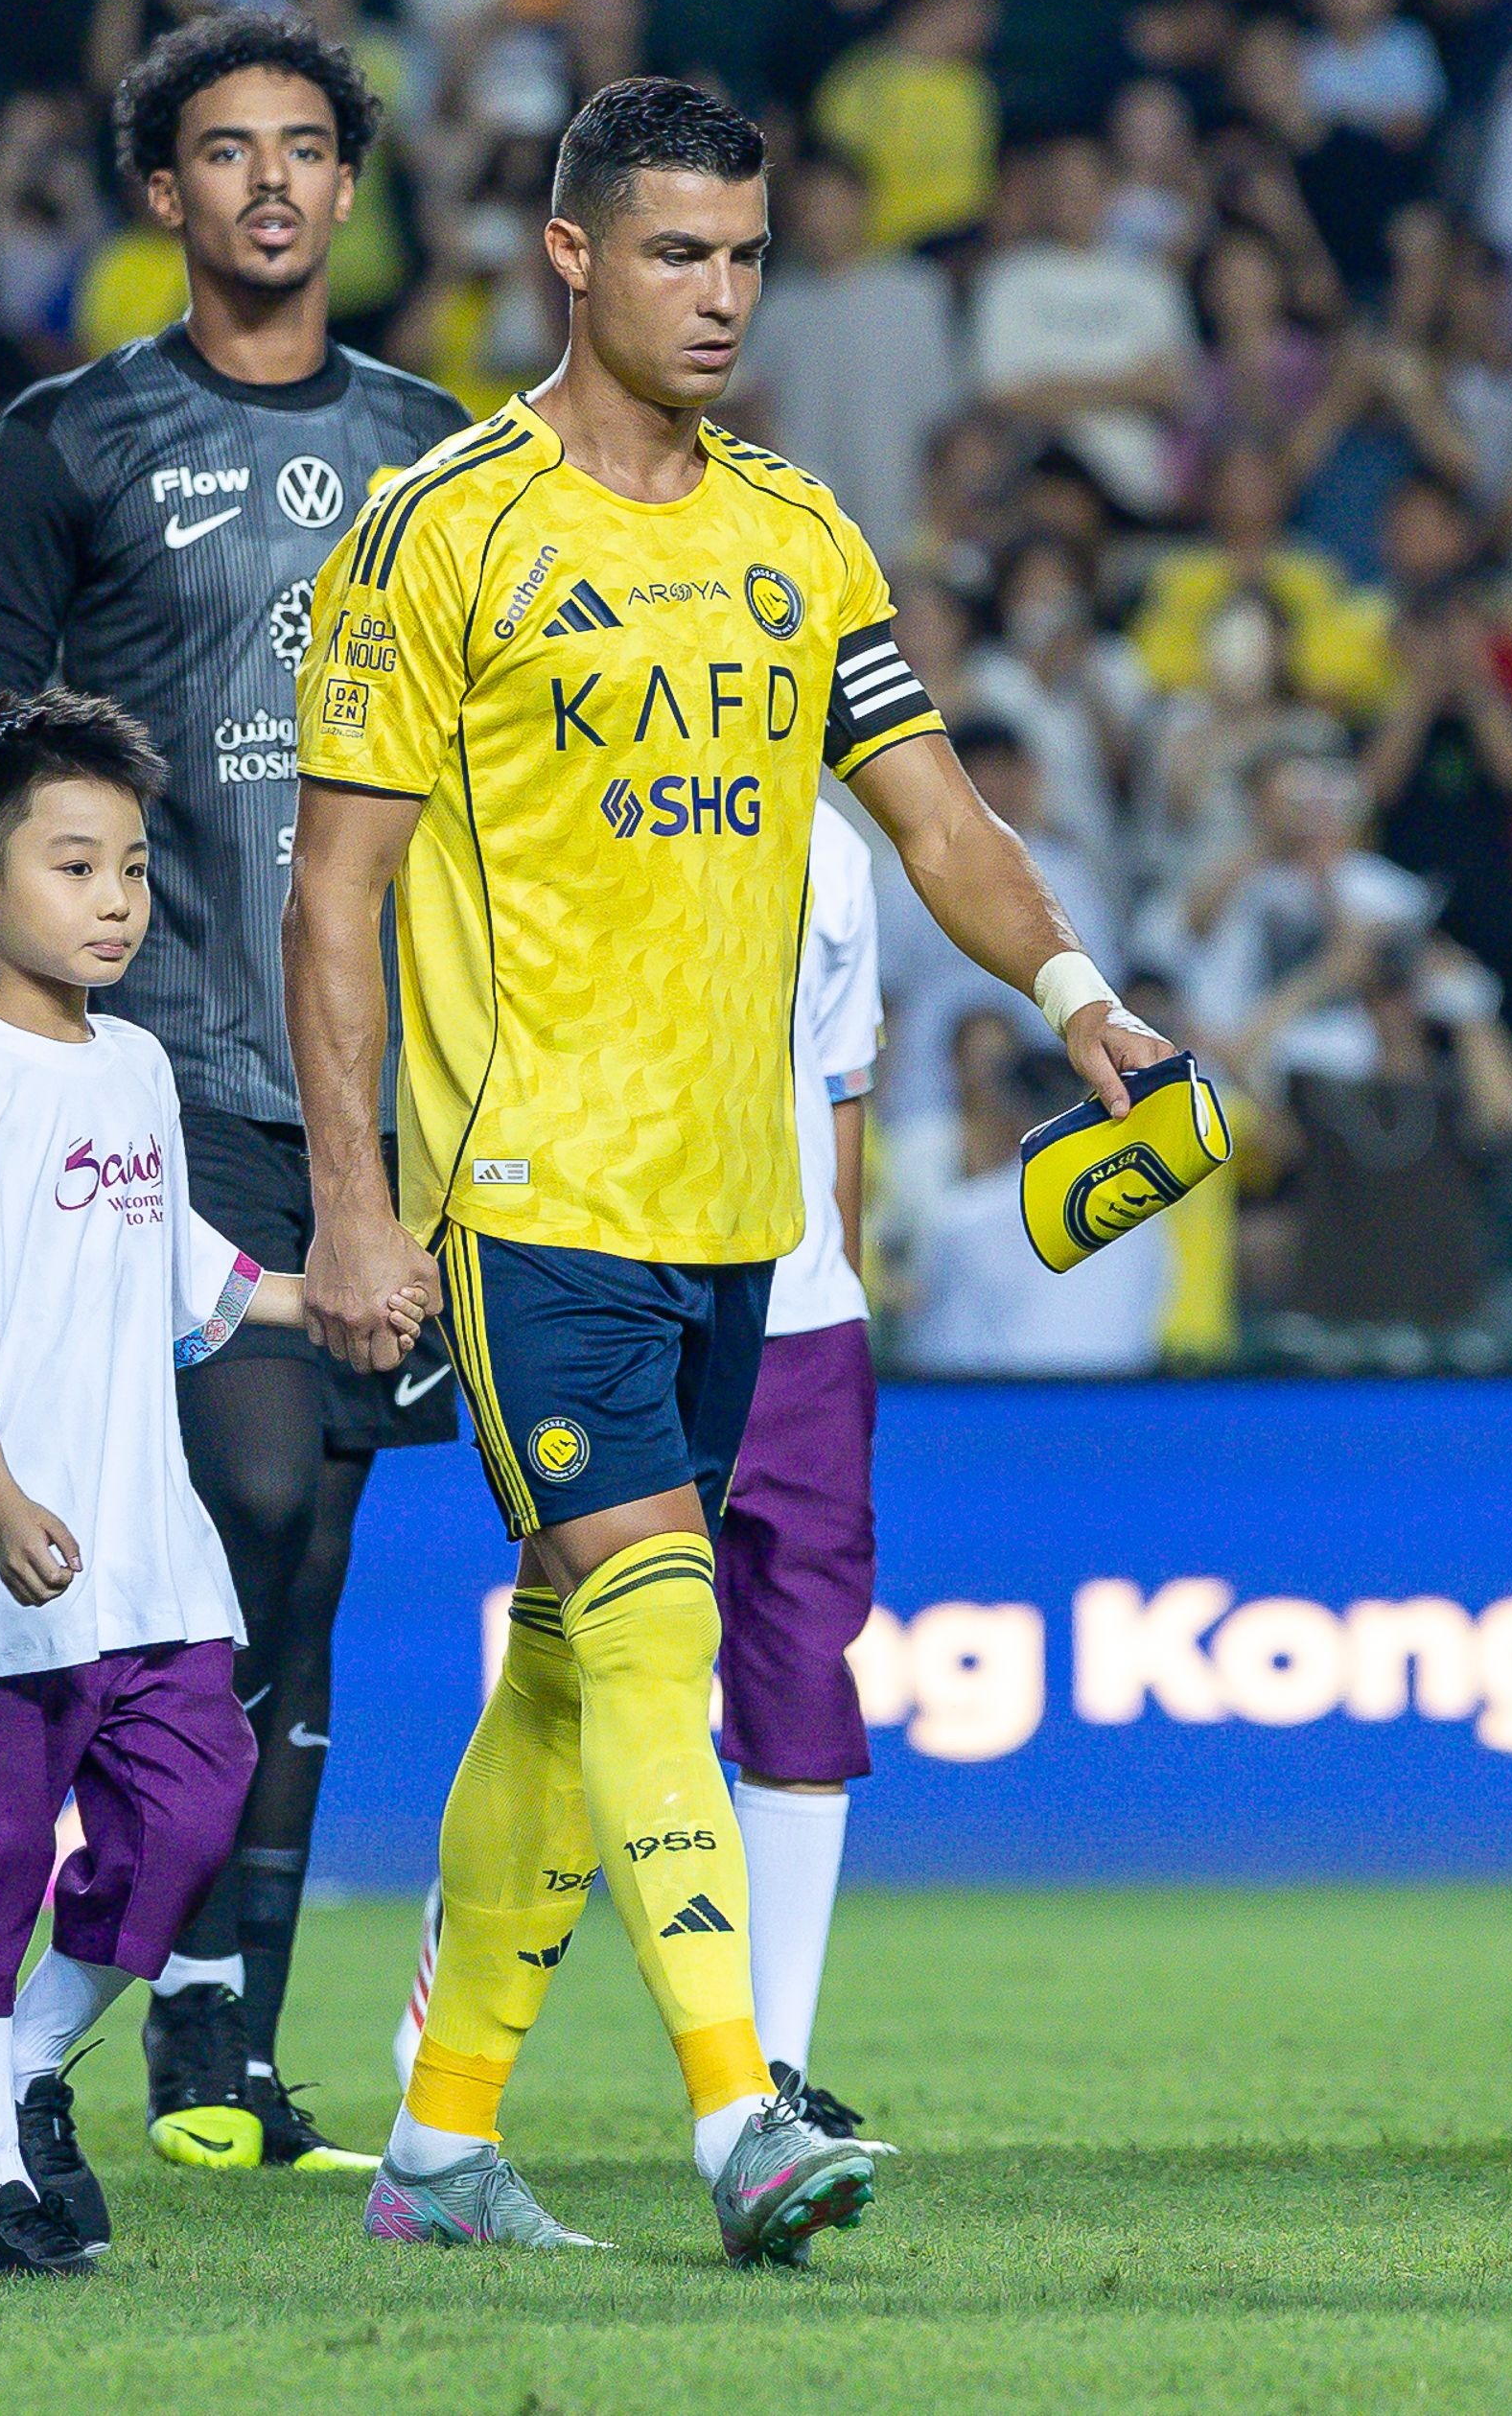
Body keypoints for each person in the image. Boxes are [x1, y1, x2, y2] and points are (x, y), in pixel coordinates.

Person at [287, 76, 1158, 2262]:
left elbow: (936, 808)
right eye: (678, 251)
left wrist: (1079, 997)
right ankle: (736, 2109)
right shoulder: (441, 525)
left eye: (749, 255)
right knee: (664, 1626)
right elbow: (333, 889)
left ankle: (434, 2145)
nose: (721, 294)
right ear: (572, 253)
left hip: (734, 1216)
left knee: (575, 1669)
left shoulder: (796, 530)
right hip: (527, 1199)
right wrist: (352, 1200)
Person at [0, 7, 466, 2179]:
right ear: (166, 192)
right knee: (234, 1519)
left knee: (309, 1555)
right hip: (154, 1080)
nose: (269, 184)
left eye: (306, 147)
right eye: (224, 150)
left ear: (348, 181)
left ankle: (219, 2032)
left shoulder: (436, 452)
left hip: (381, 1089)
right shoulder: (70, 439)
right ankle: (83, 1976)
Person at [0, 687, 299, 2281]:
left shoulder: (133, 1065)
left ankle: (21, 2063)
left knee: (191, 1811)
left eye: (130, 865)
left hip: (148, 1556)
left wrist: (314, 1298)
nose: (115, 897)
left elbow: (181, 1266)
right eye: (75, 865)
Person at [718, 792, 891, 2144]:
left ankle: (772, 2067)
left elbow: (840, 1086)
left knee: (798, 1673)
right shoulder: (571, 774)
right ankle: (450, 2074)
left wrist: (835, 1282)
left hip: (799, 1319)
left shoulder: (832, 844)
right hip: (616, 1298)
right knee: (578, 1665)